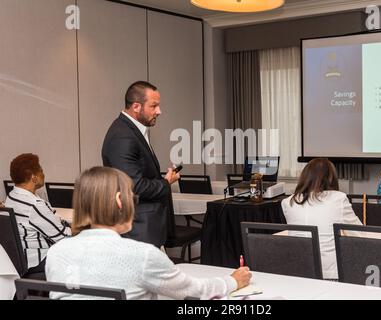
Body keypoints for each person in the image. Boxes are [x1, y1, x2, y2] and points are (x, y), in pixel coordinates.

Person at [45, 167, 251, 300]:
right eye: (133, 198)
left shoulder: (57, 253)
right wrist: (233, 280)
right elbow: (197, 292)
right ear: (119, 201)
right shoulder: (142, 255)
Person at [102, 81, 178, 248]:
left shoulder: (131, 130)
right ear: (136, 107)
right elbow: (134, 186)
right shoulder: (123, 136)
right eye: (154, 106)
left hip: (143, 224)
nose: (159, 111)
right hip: (137, 226)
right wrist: (166, 182)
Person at [281, 158, 361, 280]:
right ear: (331, 178)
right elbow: (358, 233)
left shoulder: (288, 202)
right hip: (330, 274)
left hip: (298, 272)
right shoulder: (338, 199)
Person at [4, 154, 71, 274]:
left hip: (21, 260)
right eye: (41, 171)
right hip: (39, 260)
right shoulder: (34, 204)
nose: (43, 174)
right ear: (34, 178)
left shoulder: (11, 197)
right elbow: (63, 238)